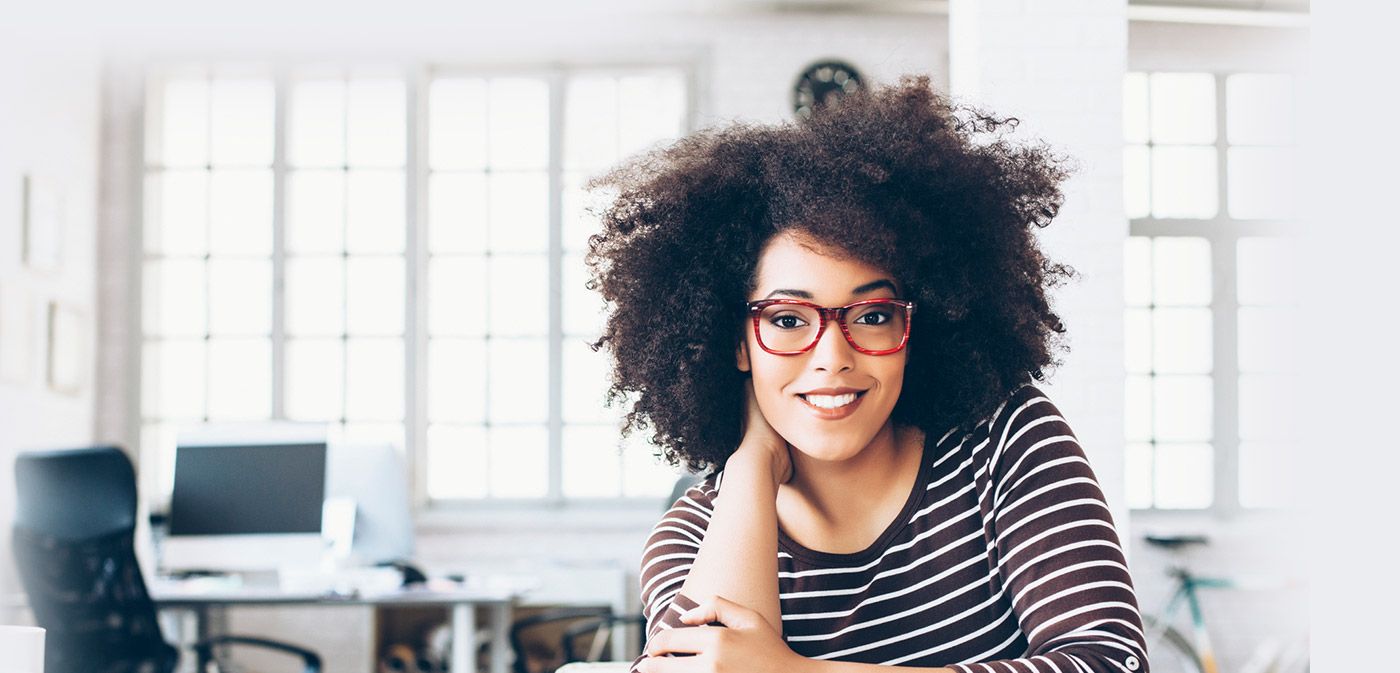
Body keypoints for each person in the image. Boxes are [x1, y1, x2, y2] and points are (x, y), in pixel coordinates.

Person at [583, 75, 1148, 673]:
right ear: (736, 343)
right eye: (787, 319)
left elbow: (1112, 663)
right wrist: (751, 465)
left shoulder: (1002, 440)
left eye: (873, 315)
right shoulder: (694, 534)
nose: (832, 356)